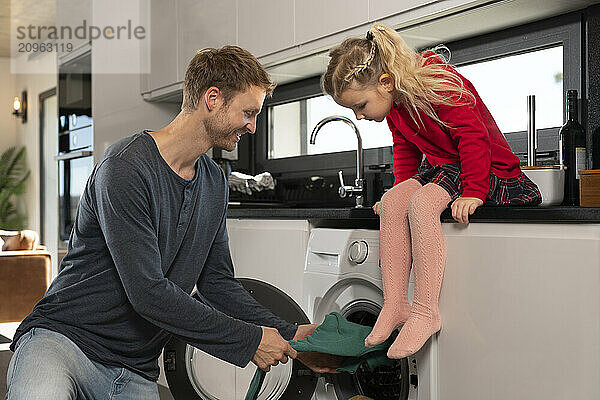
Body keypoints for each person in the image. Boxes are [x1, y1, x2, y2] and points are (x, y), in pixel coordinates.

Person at [5, 46, 339, 400]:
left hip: (133, 367)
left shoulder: (213, 182)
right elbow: (147, 293)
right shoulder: (125, 166)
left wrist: (290, 334)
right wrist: (250, 340)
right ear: (213, 98)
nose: (253, 126)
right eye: (248, 112)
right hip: (64, 342)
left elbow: (217, 284)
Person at [321, 24, 541, 359]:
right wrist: (400, 189)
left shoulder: (438, 82)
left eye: (360, 105)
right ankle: (395, 304)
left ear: (385, 82)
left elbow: (473, 136)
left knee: (422, 206)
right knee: (395, 203)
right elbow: (405, 150)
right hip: (443, 167)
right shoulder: (396, 103)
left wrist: (474, 191)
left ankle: (426, 311)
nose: (360, 116)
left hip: (485, 169)